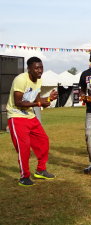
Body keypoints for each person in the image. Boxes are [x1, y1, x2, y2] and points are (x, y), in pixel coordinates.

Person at [6, 56, 58, 186]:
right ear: (29, 69)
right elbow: (18, 102)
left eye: (41, 67)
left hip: (30, 116)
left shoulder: (38, 81)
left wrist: (49, 99)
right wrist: (39, 103)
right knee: (24, 148)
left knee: (43, 141)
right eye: (36, 68)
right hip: (16, 116)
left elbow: (38, 101)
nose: (39, 70)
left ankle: (40, 170)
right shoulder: (20, 79)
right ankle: (24, 177)